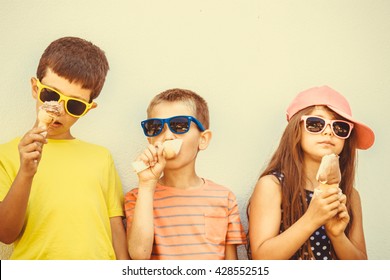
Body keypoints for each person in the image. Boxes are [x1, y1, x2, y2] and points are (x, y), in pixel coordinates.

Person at [0, 37, 129, 260]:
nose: (58, 110)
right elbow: (6, 234)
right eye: (50, 95)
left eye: (75, 104)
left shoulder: (100, 157)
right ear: (34, 87)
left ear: (87, 109)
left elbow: (114, 226)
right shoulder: (6, 155)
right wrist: (26, 172)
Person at [247, 86, 375, 260]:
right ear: (296, 130)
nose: (329, 131)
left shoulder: (350, 196)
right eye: (316, 123)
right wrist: (312, 219)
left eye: (340, 127)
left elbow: (363, 270)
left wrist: (337, 235)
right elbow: (261, 259)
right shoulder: (272, 186)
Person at [125, 88, 246, 260]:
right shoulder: (138, 197)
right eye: (156, 127)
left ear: (203, 140)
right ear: (150, 140)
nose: (167, 136)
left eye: (180, 125)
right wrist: (147, 184)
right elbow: (139, 255)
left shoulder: (224, 198)